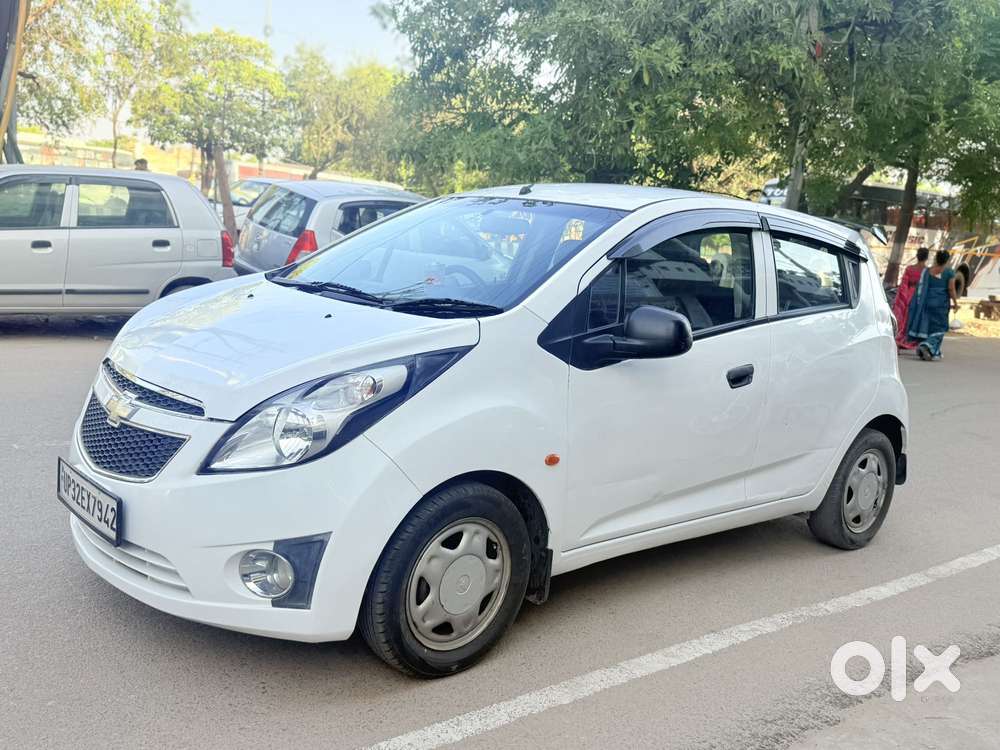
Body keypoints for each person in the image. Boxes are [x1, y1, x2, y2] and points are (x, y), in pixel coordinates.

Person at [906, 249, 959, 361]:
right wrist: (955, 303)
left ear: (936, 258)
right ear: (947, 260)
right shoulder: (949, 272)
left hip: (927, 301)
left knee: (929, 326)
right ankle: (927, 345)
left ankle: (933, 352)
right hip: (941, 303)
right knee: (940, 327)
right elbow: (951, 288)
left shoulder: (928, 271)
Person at [892, 246, 929, 350]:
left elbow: (904, 285)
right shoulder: (927, 271)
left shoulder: (910, 269)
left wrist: (903, 299)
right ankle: (916, 342)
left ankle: (900, 341)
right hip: (921, 298)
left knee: (905, 320)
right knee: (917, 320)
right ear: (927, 258)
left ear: (917, 256)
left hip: (908, 296)